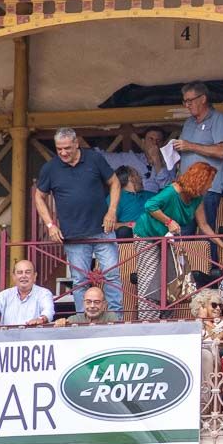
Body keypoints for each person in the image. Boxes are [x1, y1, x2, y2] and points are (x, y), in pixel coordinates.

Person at [34, 127, 122, 313]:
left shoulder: (94, 158)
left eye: (67, 148)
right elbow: (38, 196)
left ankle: (117, 318)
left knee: (112, 275)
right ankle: (84, 318)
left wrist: (112, 211)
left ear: (76, 143)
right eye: (59, 149)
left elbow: (114, 182)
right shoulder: (50, 168)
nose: (63, 153)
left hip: (102, 229)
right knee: (79, 281)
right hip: (73, 236)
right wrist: (50, 225)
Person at [133, 162, 219, 321]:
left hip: (168, 239)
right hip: (148, 236)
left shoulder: (197, 197)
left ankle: (165, 322)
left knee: (171, 280)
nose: (211, 185)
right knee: (150, 279)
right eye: (210, 181)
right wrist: (168, 221)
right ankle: (147, 323)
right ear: (200, 180)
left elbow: (204, 225)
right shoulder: (173, 190)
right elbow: (150, 205)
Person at [175, 82, 223, 264]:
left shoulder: (218, 119)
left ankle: (211, 273)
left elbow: (221, 151)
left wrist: (190, 146)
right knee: (183, 231)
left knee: (205, 230)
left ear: (203, 99)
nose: (187, 105)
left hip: (208, 187)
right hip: (186, 187)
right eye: (184, 101)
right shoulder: (188, 123)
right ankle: (183, 275)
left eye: (190, 101)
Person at [103, 126, 176, 194]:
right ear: (143, 142)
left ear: (163, 144)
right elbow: (102, 157)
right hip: (134, 203)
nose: (154, 143)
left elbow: (168, 188)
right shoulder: (132, 158)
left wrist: (156, 160)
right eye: (151, 139)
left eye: (158, 140)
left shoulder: (169, 162)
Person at [115, 165, 154, 238]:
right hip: (132, 235)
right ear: (129, 178)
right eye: (137, 175)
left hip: (154, 232)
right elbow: (109, 225)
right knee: (123, 231)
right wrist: (129, 224)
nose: (140, 178)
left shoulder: (150, 195)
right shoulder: (116, 197)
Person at [54, 285, 121, 326]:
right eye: (88, 302)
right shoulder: (74, 320)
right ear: (83, 303)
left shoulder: (111, 318)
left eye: (96, 302)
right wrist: (60, 323)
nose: (92, 306)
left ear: (104, 304)